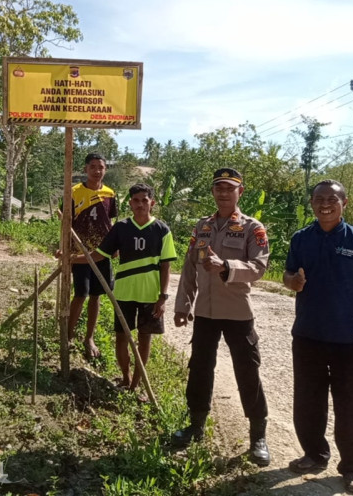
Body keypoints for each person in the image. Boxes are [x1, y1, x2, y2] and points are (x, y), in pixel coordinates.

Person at [283, 179, 353, 495]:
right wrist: (292, 282)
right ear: (312, 203)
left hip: (347, 339)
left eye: (332, 199)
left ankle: (352, 468)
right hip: (307, 335)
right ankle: (314, 454)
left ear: (344, 203)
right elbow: (288, 274)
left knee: (351, 406)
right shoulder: (301, 239)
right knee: (308, 401)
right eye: (319, 199)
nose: (325, 204)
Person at [172, 168, 271, 466]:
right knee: (200, 368)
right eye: (219, 188)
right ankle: (196, 425)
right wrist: (183, 304)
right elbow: (189, 267)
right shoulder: (202, 226)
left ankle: (258, 437)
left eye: (230, 188)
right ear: (213, 192)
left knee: (247, 371)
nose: (224, 193)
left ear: (240, 192)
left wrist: (226, 266)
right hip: (205, 312)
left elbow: (259, 267)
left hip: (238, 313)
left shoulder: (253, 228)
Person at [71, 183, 176, 396]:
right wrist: (71, 258)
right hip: (124, 293)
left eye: (144, 200)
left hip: (150, 295)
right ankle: (126, 377)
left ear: (152, 203)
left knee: (145, 339)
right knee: (121, 337)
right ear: (130, 203)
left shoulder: (162, 230)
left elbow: (166, 266)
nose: (140, 204)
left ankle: (136, 384)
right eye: (136, 200)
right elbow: (99, 254)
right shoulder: (121, 228)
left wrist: (163, 297)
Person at [63, 153, 118, 359]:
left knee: (96, 296)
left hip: (102, 253)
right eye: (93, 167)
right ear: (85, 169)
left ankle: (89, 338)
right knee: (81, 294)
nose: (97, 171)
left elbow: (110, 221)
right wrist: (64, 249)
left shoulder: (109, 193)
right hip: (80, 253)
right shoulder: (74, 192)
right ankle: (68, 336)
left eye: (100, 167)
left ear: (105, 170)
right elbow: (65, 222)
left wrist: (115, 245)